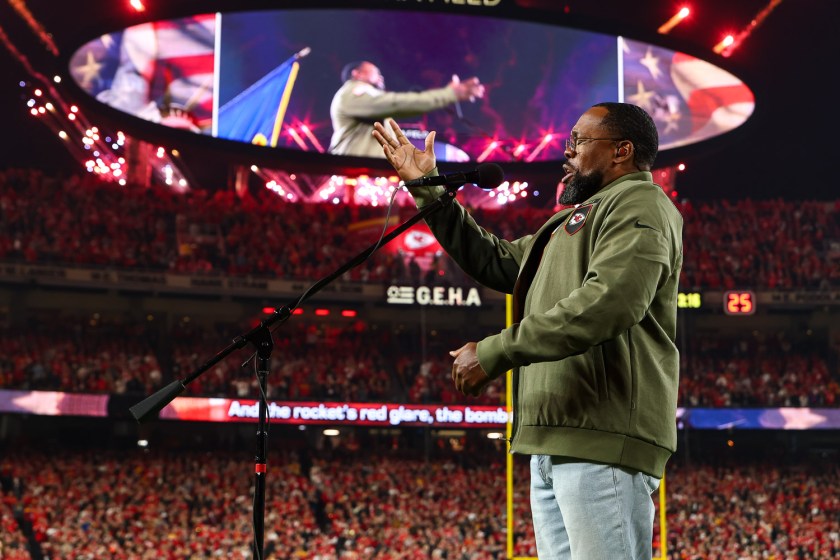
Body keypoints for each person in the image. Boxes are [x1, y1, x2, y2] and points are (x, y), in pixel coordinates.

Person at [373, 102, 683, 560]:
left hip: (601, 437)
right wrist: (428, 189)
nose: (567, 151)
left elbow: (608, 305)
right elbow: (495, 260)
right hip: (554, 437)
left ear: (622, 150)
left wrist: (495, 352)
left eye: (579, 141)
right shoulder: (572, 218)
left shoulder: (642, 203)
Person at [328, 61, 484, 157]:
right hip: (353, 174)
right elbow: (396, 104)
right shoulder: (355, 90)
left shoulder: (368, 100)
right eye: (376, 72)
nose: (381, 76)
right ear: (357, 74)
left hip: (366, 173)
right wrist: (448, 94)